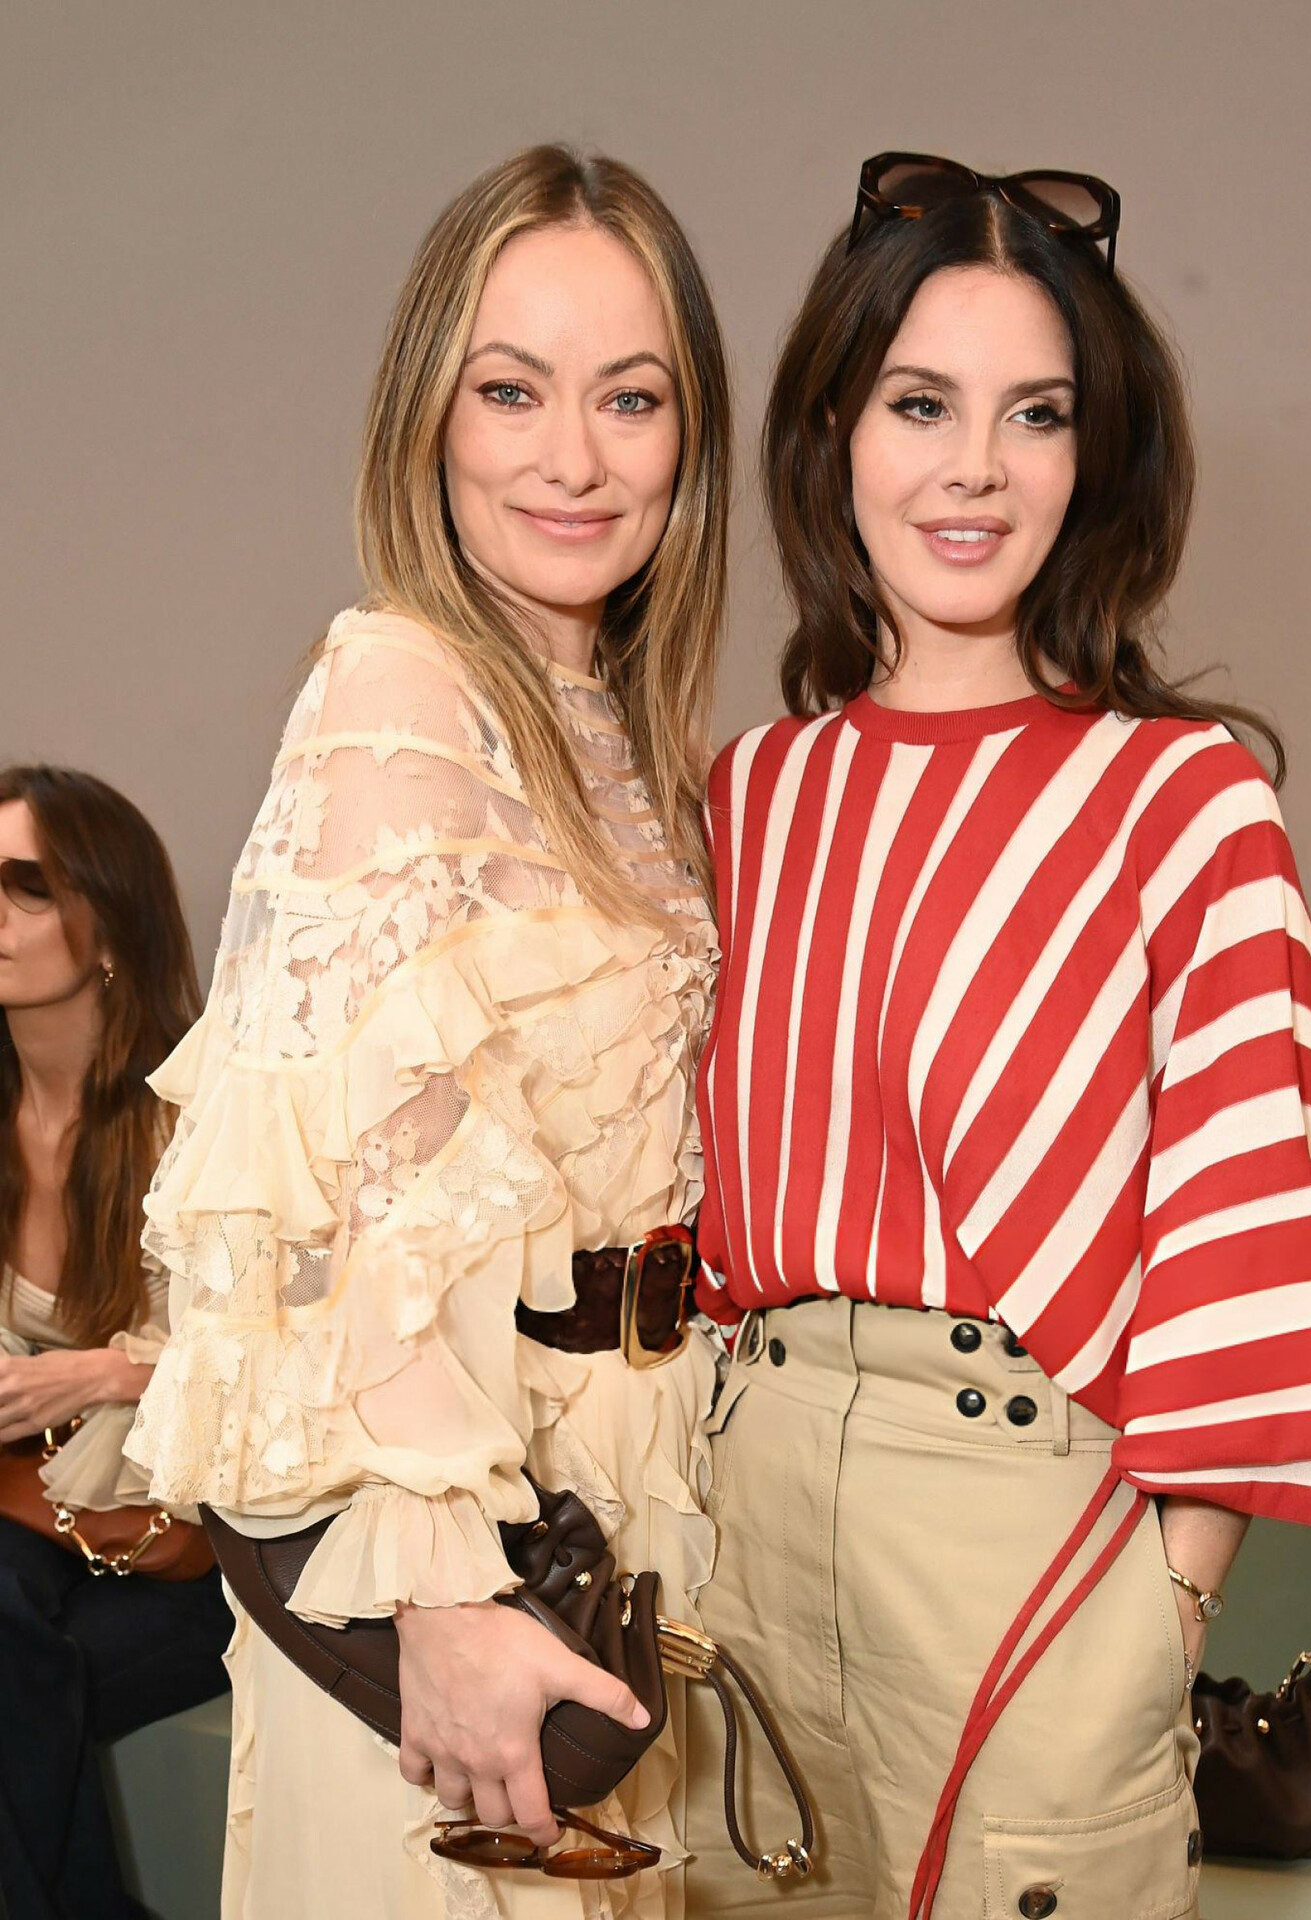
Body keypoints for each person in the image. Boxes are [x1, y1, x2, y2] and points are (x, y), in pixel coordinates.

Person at [686, 154, 1311, 1920]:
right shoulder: (755, 795)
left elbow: (1252, 1228)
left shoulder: (1182, 799)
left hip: (1028, 1540)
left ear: (1096, 456)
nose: (976, 466)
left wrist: (1167, 1616)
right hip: (734, 1519)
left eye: (1038, 413)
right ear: (833, 429)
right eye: (920, 403)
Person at [125, 145, 730, 1919]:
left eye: (631, 397)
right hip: (464, 1556)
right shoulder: (401, 687)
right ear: (427, 418)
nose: (573, 457)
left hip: (616, 1498)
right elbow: (332, 1216)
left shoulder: (618, 726)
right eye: (510, 390)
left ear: (688, 437)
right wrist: (443, 1601)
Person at [0, 763, 231, 1920]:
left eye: (24, 884)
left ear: (110, 923)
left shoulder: (208, 1117)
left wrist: (108, 1371)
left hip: (180, 1550)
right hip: (23, 1528)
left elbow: (298, 1361)